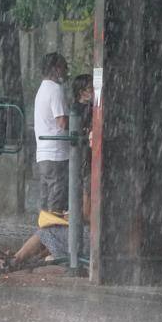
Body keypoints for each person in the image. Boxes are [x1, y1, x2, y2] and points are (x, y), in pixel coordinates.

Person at [34, 53, 70, 213]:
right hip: (56, 154)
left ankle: (43, 236)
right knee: (56, 206)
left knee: (46, 205)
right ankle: (48, 236)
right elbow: (62, 122)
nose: (66, 71)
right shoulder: (55, 89)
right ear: (56, 69)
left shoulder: (42, 89)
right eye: (64, 67)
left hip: (44, 154)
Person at [70, 73, 93, 219]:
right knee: (86, 184)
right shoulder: (78, 109)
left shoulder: (90, 108)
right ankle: (85, 214)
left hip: (87, 152)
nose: (92, 92)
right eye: (90, 88)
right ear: (82, 92)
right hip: (84, 152)